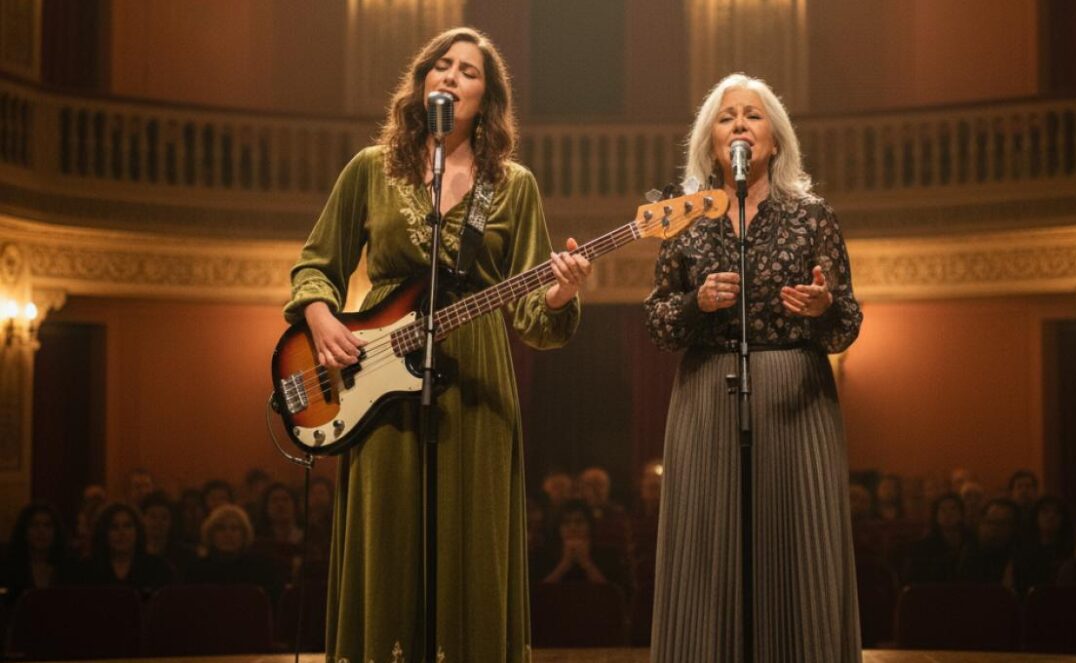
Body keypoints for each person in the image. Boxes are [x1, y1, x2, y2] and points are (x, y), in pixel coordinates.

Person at [282, 27, 589, 662]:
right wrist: (321, 318)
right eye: (441, 66)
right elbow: (316, 265)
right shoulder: (370, 169)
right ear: (422, 83)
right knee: (387, 532)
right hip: (376, 375)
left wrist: (559, 294)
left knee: (471, 539)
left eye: (468, 71)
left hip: (477, 377)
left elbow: (533, 316)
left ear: (488, 96)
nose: (451, 77)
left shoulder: (514, 185)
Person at [644, 72, 863, 662]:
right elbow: (659, 322)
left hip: (795, 396)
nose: (740, 123)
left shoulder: (812, 216)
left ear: (775, 139)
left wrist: (821, 307)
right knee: (705, 550)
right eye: (726, 116)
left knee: (801, 550)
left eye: (753, 115)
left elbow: (846, 324)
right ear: (709, 141)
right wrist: (697, 302)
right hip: (707, 394)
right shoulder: (683, 215)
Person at [1, 502, 75, 603]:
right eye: (34, 525)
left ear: (56, 532)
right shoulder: (9, 568)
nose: (41, 531)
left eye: (47, 525)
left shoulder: (69, 568)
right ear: (24, 531)